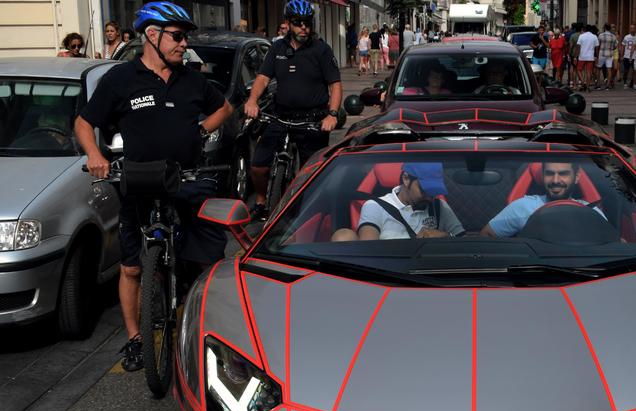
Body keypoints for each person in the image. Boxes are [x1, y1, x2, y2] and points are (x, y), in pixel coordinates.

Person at [74, 1, 234, 372]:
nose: (184, 44)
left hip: (189, 180)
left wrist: (199, 131)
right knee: (131, 268)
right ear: (152, 35)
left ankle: (208, 331)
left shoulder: (192, 79)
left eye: (184, 37)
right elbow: (84, 122)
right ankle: (135, 339)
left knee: (207, 261)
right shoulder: (120, 79)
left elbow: (224, 108)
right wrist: (95, 154)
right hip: (138, 181)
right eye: (177, 37)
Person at [243, 0, 342, 221]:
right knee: (259, 166)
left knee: (313, 173)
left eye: (307, 23)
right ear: (288, 23)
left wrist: (332, 114)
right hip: (280, 116)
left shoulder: (321, 50)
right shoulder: (277, 48)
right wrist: (252, 101)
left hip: (313, 120)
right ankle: (261, 201)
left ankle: (310, 212)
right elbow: (262, 78)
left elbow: (335, 85)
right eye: (298, 23)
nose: (303, 27)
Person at [481, 162, 605, 237]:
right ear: (542, 176)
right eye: (549, 173)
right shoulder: (523, 207)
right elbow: (487, 235)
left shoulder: (590, 212)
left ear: (576, 177)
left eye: (563, 174)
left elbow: (613, 243)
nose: (555, 180)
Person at [358, 162, 465, 240]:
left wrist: (445, 236)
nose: (429, 197)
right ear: (406, 179)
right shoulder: (375, 207)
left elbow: (463, 242)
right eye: (424, 190)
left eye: (434, 191)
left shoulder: (439, 206)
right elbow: (368, 249)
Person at [575, 24, 599, 92]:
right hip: (590, 57)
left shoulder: (581, 36)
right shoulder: (594, 37)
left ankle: (583, 82)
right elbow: (597, 48)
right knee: (589, 71)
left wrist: (575, 56)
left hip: (582, 56)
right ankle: (588, 86)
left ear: (584, 29)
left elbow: (578, 47)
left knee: (579, 70)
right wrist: (597, 56)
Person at [620, 24, 636, 89]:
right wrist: (621, 55)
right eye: (631, 28)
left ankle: (632, 83)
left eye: (633, 28)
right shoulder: (626, 37)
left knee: (634, 71)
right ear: (629, 29)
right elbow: (623, 46)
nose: (632, 30)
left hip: (634, 57)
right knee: (626, 70)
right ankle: (625, 82)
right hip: (626, 56)